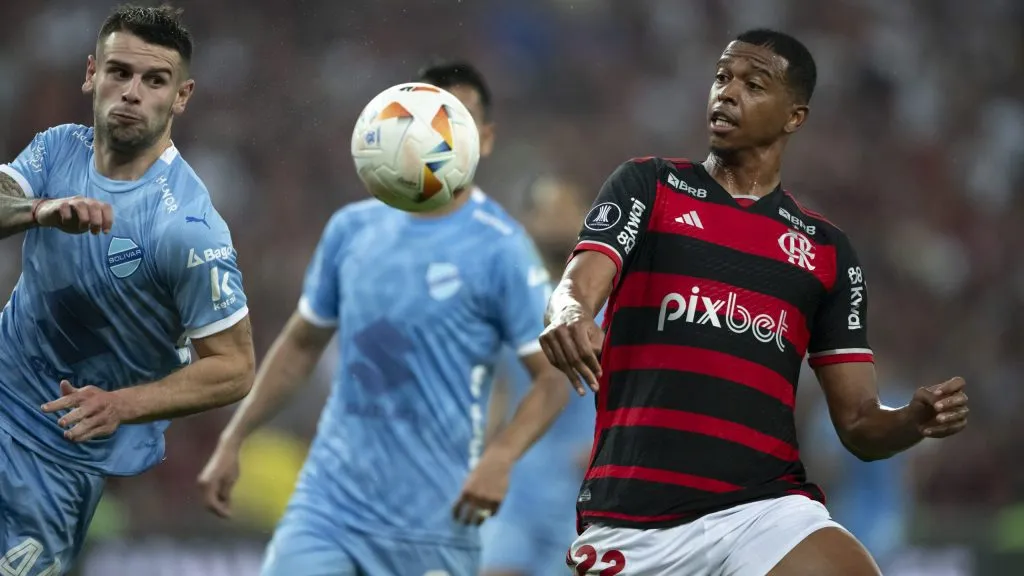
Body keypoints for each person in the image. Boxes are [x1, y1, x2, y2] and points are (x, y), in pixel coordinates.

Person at [541, 29, 970, 576]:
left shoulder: (825, 251)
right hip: (635, 519)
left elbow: (860, 423)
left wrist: (911, 420)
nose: (727, 92)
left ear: (794, 116)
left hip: (762, 509)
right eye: (722, 77)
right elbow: (578, 284)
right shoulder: (650, 187)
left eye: (753, 84)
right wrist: (570, 313)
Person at [197, 60, 569, 576]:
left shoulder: (502, 248)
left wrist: (500, 458)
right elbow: (302, 343)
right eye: (424, 118)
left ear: (483, 140)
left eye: (455, 120)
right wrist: (235, 436)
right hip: (330, 506)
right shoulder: (351, 229)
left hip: (436, 520)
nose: (437, 134)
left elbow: (551, 377)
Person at [0, 5, 254, 573]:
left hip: (55, 459)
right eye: (119, 72)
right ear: (92, 74)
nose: (132, 92)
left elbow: (235, 367)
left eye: (155, 80)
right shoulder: (56, 149)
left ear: (181, 97)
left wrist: (121, 404)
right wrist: (39, 210)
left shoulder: (186, 226)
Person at [480, 176, 598, 576]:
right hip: (520, 478)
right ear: (528, 222)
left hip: (581, 482)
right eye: (548, 211)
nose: (559, 221)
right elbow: (498, 385)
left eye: (567, 210)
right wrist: (485, 451)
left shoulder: (607, 304)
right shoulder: (510, 303)